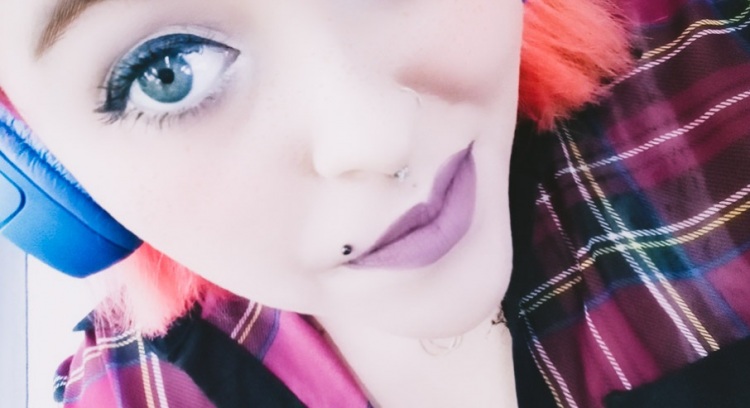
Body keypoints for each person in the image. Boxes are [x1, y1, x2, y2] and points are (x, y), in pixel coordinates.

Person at [9, 0, 747, 406]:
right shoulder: (133, 396)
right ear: (43, 168)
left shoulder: (723, 85)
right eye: (167, 71)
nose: (378, 135)